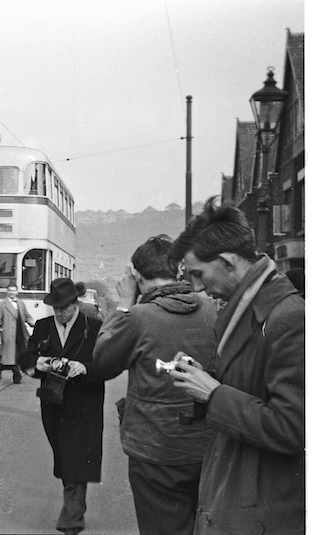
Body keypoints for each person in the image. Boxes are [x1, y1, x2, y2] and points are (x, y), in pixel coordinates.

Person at [167, 197, 304, 534]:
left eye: (199, 273)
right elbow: (252, 389)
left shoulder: (289, 318)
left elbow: (294, 428)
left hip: (260, 507)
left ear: (228, 261)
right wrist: (205, 382)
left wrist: (214, 395)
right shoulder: (251, 310)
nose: (197, 286)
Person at [86, 235, 217, 535]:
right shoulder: (212, 310)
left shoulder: (138, 317)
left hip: (154, 451)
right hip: (207, 447)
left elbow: (103, 362)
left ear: (136, 275)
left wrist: (122, 304)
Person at [18, 278, 105, 535]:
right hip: (53, 402)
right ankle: (76, 502)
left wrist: (86, 368)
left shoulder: (95, 327)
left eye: (64, 307)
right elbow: (26, 357)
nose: (60, 313)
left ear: (75, 303)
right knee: (65, 457)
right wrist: (39, 363)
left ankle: (72, 519)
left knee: (76, 457)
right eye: (55, 308)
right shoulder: (44, 327)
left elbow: (109, 363)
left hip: (84, 403)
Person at [0, 284, 35, 384]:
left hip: (21, 333)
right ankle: (17, 377)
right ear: (7, 291)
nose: (12, 292)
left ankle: (0, 366)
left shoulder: (21, 303)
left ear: (17, 292)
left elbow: (26, 315)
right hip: (9, 335)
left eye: (14, 290)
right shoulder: (1, 304)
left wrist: (31, 322)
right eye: (10, 290)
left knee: (20, 355)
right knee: (13, 357)